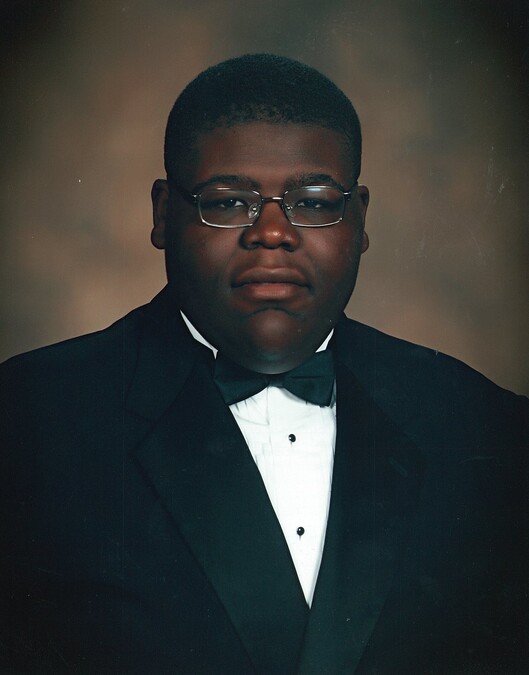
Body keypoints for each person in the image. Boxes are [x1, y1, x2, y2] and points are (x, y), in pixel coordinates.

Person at [1, 54, 527, 674]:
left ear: (360, 219)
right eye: (228, 202)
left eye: (313, 202)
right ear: (163, 214)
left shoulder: (490, 431)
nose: (272, 233)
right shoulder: (27, 423)